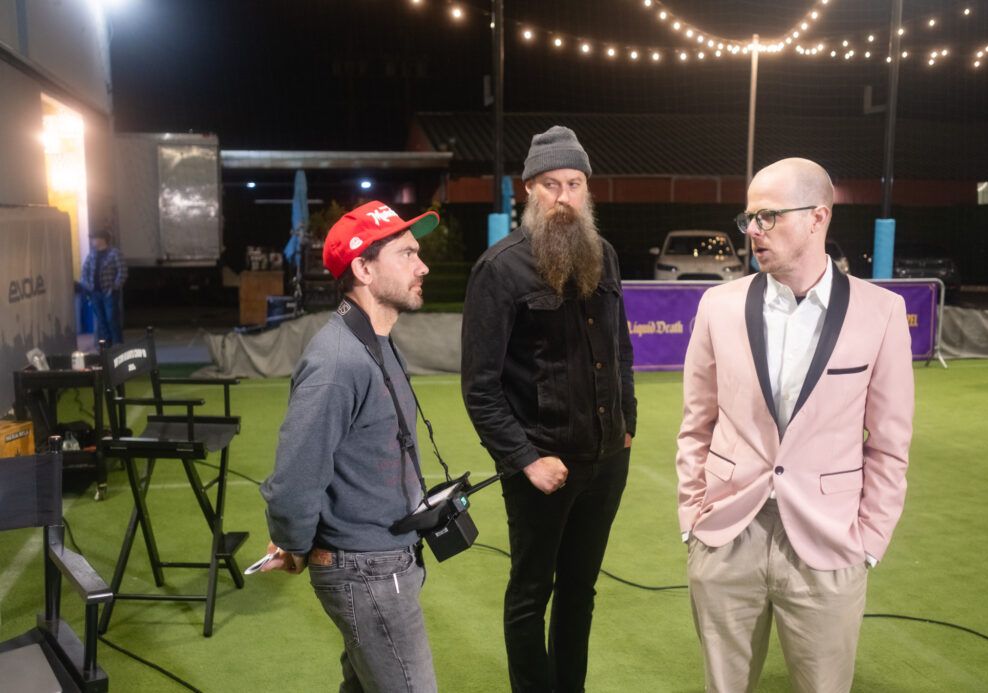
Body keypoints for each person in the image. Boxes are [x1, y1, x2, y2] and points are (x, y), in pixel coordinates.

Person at [676, 158, 914, 693]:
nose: (754, 231)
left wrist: (868, 540)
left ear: (817, 218)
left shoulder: (882, 312)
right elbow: (696, 424)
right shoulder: (718, 305)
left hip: (830, 542)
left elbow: (891, 445)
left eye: (768, 216)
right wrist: (693, 518)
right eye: (748, 219)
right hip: (726, 535)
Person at [461, 125, 637, 693]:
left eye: (575, 183)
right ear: (528, 190)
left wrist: (626, 426)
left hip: (607, 462)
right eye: (551, 184)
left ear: (587, 190)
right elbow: (480, 388)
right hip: (543, 469)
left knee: (580, 591)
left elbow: (620, 350)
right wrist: (526, 460)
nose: (565, 196)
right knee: (530, 594)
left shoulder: (604, 255)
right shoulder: (500, 269)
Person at [260, 200, 440, 693]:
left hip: (384, 558)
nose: (422, 266)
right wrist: (293, 542)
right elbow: (294, 477)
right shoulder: (339, 360)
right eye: (406, 254)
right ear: (362, 268)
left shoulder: (374, 343)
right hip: (367, 569)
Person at [80, 228, 127, 344]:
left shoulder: (114, 253)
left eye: (94, 239)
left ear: (101, 240)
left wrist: (115, 286)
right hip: (95, 293)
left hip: (109, 292)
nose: (92, 241)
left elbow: (122, 271)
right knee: (101, 321)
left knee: (111, 319)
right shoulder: (92, 255)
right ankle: (107, 345)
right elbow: (84, 271)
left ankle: (117, 345)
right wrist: (87, 285)